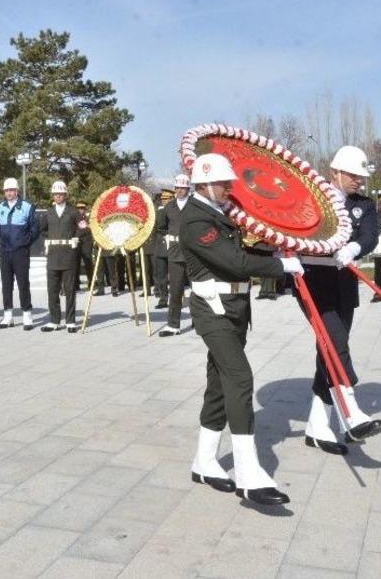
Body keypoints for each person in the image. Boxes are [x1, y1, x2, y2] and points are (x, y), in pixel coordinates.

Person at [180, 154, 303, 505]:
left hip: (234, 309)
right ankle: (249, 472)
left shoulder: (217, 214)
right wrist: (281, 265)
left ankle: (204, 461)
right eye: (223, 183)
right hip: (213, 311)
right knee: (240, 378)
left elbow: (240, 249)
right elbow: (233, 262)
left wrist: (274, 244)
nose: (229, 188)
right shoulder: (194, 220)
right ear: (204, 184)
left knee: (219, 384)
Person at [298, 145, 381, 456]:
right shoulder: (312, 196)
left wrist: (353, 249)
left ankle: (317, 427)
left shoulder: (365, 204)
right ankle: (352, 412)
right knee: (334, 342)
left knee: (330, 346)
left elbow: (371, 236)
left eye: (362, 177)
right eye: (353, 175)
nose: (358, 181)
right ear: (334, 172)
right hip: (313, 281)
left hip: (345, 281)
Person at [39, 180, 85, 333]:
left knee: (70, 289)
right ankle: (54, 320)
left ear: (65, 195)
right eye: (56, 194)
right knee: (52, 290)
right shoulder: (48, 213)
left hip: (68, 256)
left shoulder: (73, 212)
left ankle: (71, 321)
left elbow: (82, 227)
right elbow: (42, 230)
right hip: (53, 255)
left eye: (61, 194)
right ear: (53, 195)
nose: (58, 196)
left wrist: (76, 237)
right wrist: (52, 238)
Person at [0, 178, 39, 330]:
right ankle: (8, 317)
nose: (9, 193)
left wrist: (24, 243)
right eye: (6, 190)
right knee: (6, 285)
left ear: (17, 191)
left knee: (23, 283)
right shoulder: (0, 207)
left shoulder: (27, 207)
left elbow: (35, 229)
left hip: (20, 252)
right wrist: (0, 246)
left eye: (11, 190)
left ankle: (27, 315)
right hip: (5, 252)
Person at [157, 174, 192, 337]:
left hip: (194, 253)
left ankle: (200, 321)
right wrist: (167, 238)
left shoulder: (196, 205)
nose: (179, 190)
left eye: (183, 188)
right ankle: (173, 325)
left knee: (199, 289)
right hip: (176, 253)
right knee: (176, 289)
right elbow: (161, 227)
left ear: (188, 189)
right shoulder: (169, 207)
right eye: (177, 187)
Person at [152, 189, 174, 308]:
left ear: (172, 199)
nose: (164, 201)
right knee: (161, 275)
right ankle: (163, 298)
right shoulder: (159, 212)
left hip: (173, 247)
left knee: (175, 276)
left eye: (166, 199)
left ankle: (176, 298)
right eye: (163, 199)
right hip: (161, 246)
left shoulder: (177, 211)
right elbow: (157, 226)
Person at [74, 201, 93, 292]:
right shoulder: (74, 218)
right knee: (76, 264)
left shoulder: (89, 218)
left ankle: (91, 282)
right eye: (78, 208)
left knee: (88, 264)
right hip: (77, 243)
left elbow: (91, 229)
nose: (80, 210)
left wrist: (87, 226)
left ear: (85, 209)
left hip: (87, 243)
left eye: (82, 208)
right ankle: (76, 283)